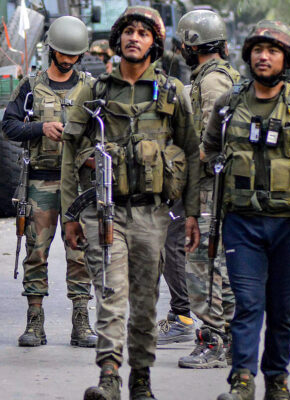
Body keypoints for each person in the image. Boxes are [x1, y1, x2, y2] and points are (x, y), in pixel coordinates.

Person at [61, 6, 201, 400]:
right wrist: (70, 215)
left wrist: (191, 213)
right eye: (128, 31)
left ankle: (141, 379)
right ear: (117, 39)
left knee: (143, 302)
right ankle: (109, 377)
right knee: (111, 295)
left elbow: (191, 153)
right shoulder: (95, 91)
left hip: (152, 214)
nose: (133, 38)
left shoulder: (172, 91)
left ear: (153, 43)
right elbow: (70, 152)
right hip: (104, 211)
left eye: (142, 33)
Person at [202, 20, 290, 400]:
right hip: (241, 223)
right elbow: (207, 151)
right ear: (248, 55)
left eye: (272, 51)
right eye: (258, 49)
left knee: (283, 311)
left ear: (285, 59)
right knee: (248, 304)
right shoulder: (229, 103)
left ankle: (277, 380)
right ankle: (242, 381)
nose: (264, 56)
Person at [2, 16, 97, 348]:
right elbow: (9, 126)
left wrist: (90, 154)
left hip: (79, 187)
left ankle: (81, 321)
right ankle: (34, 322)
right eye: (63, 53)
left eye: (74, 55)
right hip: (40, 183)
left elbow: (105, 131)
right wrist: (40, 128)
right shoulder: (30, 86)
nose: (68, 60)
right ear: (52, 51)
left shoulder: (90, 87)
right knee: (36, 253)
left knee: (80, 253)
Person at [164, 9, 241, 369]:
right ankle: (230, 342)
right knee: (216, 267)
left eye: (183, 45)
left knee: (202, 268)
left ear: (191, 46)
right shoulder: (216, 76)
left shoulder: (211, 83)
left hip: (211, 188)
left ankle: (212, 341)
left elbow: (214, 142)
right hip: (213, 186)